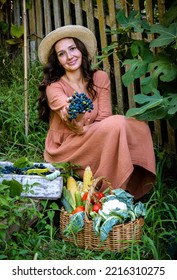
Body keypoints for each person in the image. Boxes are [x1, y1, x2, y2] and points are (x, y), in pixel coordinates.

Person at [38, 25, 156, 199]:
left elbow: (104, 118)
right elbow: (66, 112)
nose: (69, 56)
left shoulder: (99, 77)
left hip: (90, 135)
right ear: (58, 60)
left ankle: (131, 186)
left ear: (81, 49)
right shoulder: (54, 86)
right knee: (116, 124)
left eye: (72, 49)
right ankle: (110, 194)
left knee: (137, 125)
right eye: (62, 54)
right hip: (66, 146)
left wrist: (97, 134)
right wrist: (73, 112)